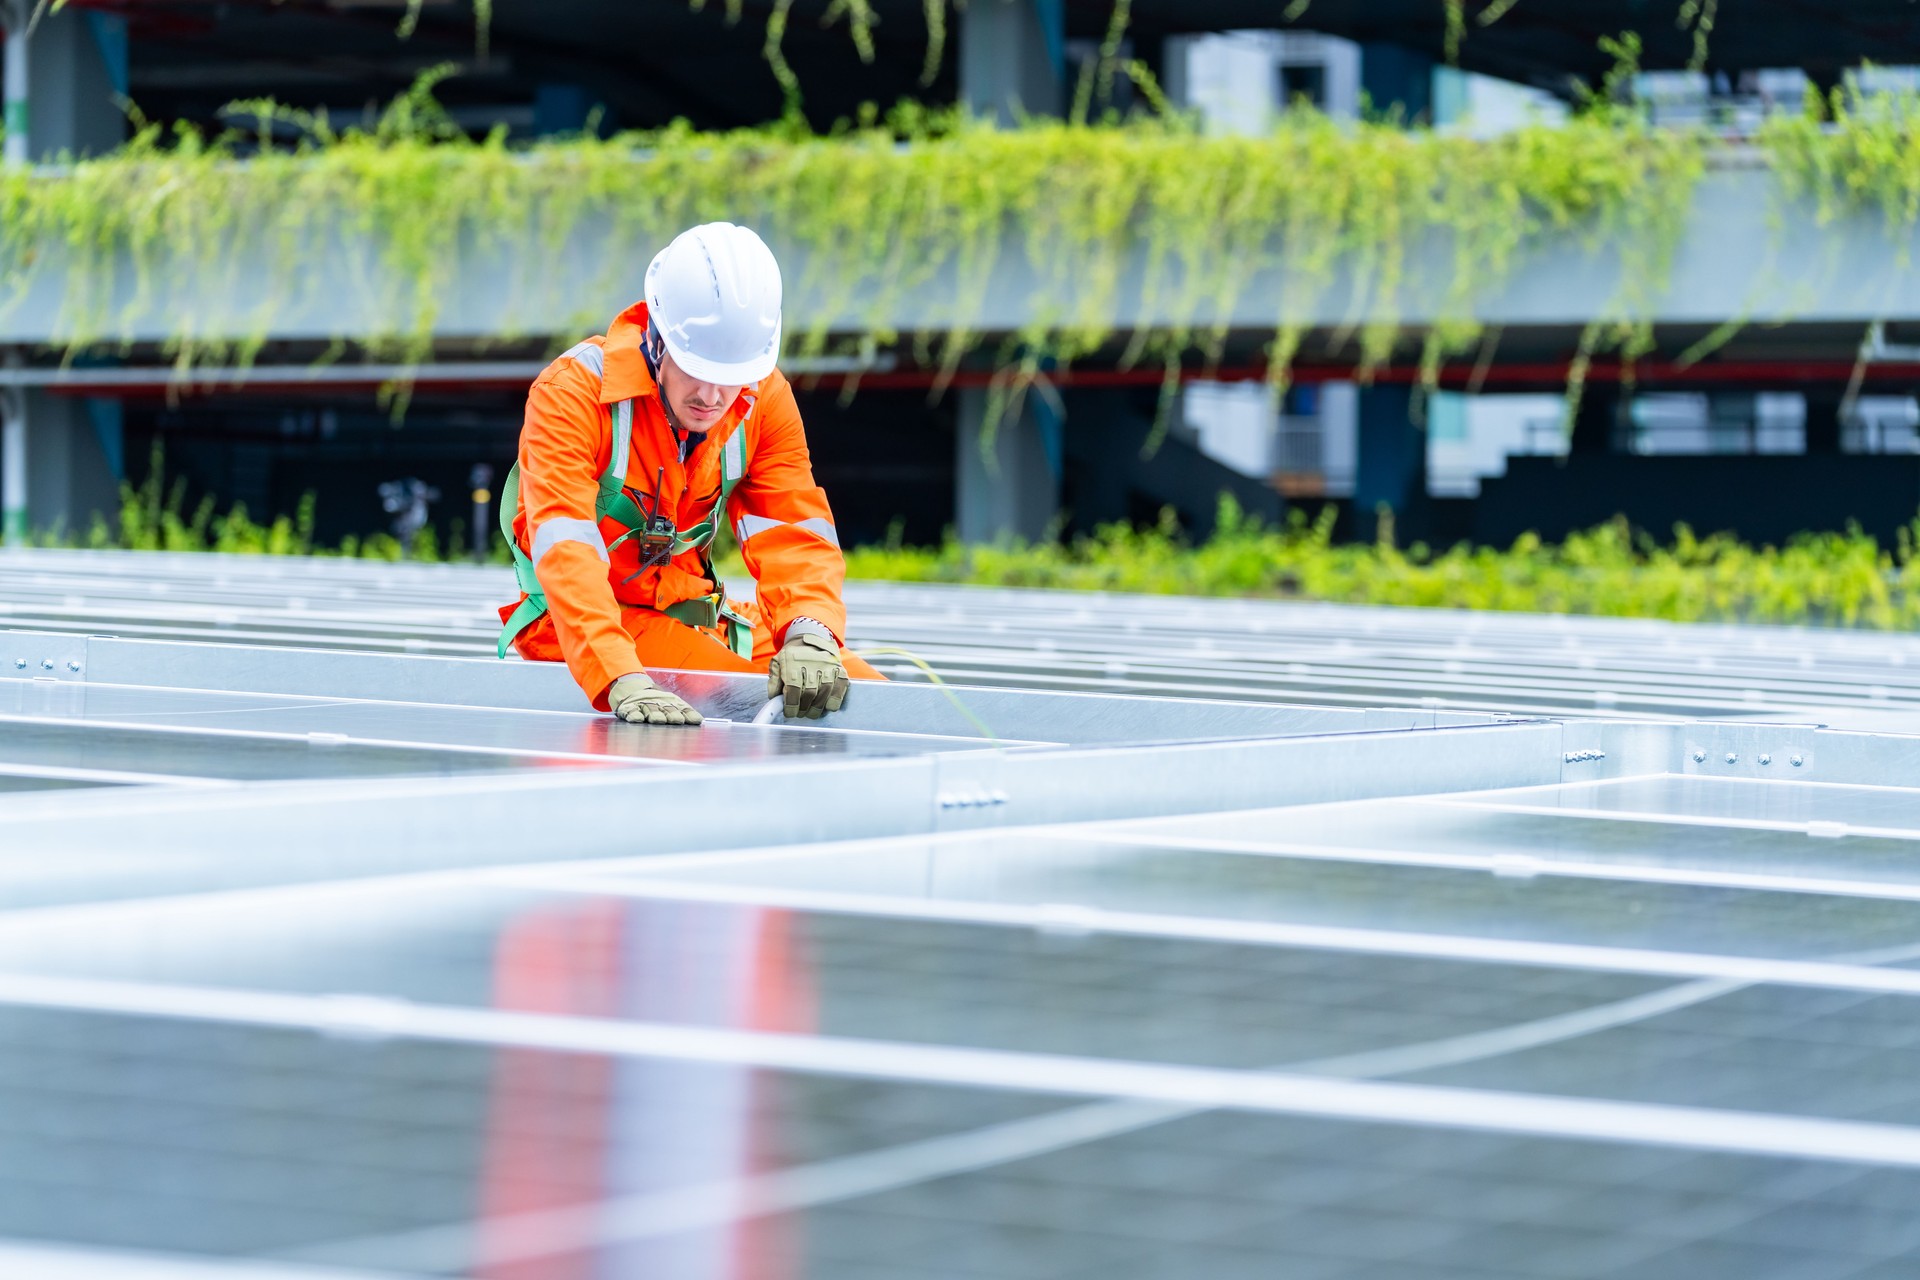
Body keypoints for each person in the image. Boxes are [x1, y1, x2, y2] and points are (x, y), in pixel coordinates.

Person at [496, 222, 881, 725]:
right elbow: (566, 547)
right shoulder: (573, 393)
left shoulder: (762, 398)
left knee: (867, 700)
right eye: (695, 369)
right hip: (582, 623)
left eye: (731, 377)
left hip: (693, 615)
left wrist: (809, 630)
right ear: (657, 337)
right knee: (742, 706)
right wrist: (619, 676)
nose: (712, 397)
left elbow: (791, 530)